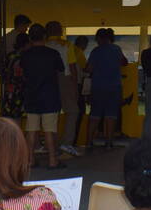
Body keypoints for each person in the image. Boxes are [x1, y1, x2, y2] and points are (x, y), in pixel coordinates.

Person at [19, 24, 67, 169]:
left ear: (30, 37)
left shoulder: (25, 55)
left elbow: (23, 72)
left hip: (31, 95)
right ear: (45, 36)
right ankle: (53, 161)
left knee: (31, 130)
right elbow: (61, 69)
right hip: (49, 95)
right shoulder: (53, 54)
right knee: (49, 129)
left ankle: (30, 160)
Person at [84, 27, 128, 151]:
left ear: (99, 38)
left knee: (95, 115)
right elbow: (124, 62)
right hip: (114, 87)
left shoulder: (96, 51)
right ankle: (109, 142)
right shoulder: (117, 49)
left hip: (98, 87)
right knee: (111, 115)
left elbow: (89, 69)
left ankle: (89, 142)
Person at [44, 22, 81, 157]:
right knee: (72, 111)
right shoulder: (66, 45)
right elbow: (72, 66)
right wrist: (75, 85)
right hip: (65, 79)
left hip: (47, 81)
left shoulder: (43, 45)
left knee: (51, 114)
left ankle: (51, 144)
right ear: (60, 31)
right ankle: (67, 143)